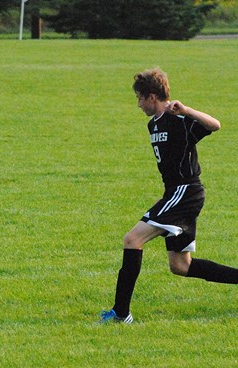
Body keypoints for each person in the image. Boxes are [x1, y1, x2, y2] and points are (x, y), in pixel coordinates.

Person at [100, 67, 238, 324]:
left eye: (140, 98)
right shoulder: (152, 124)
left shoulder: (180, 120)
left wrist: (186, 110)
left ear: (153, 97)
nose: (138, 104)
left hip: (185, 192)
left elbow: (215, 125)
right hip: (176, 192)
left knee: (132, 239)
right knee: (181, 266)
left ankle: (121, 313)